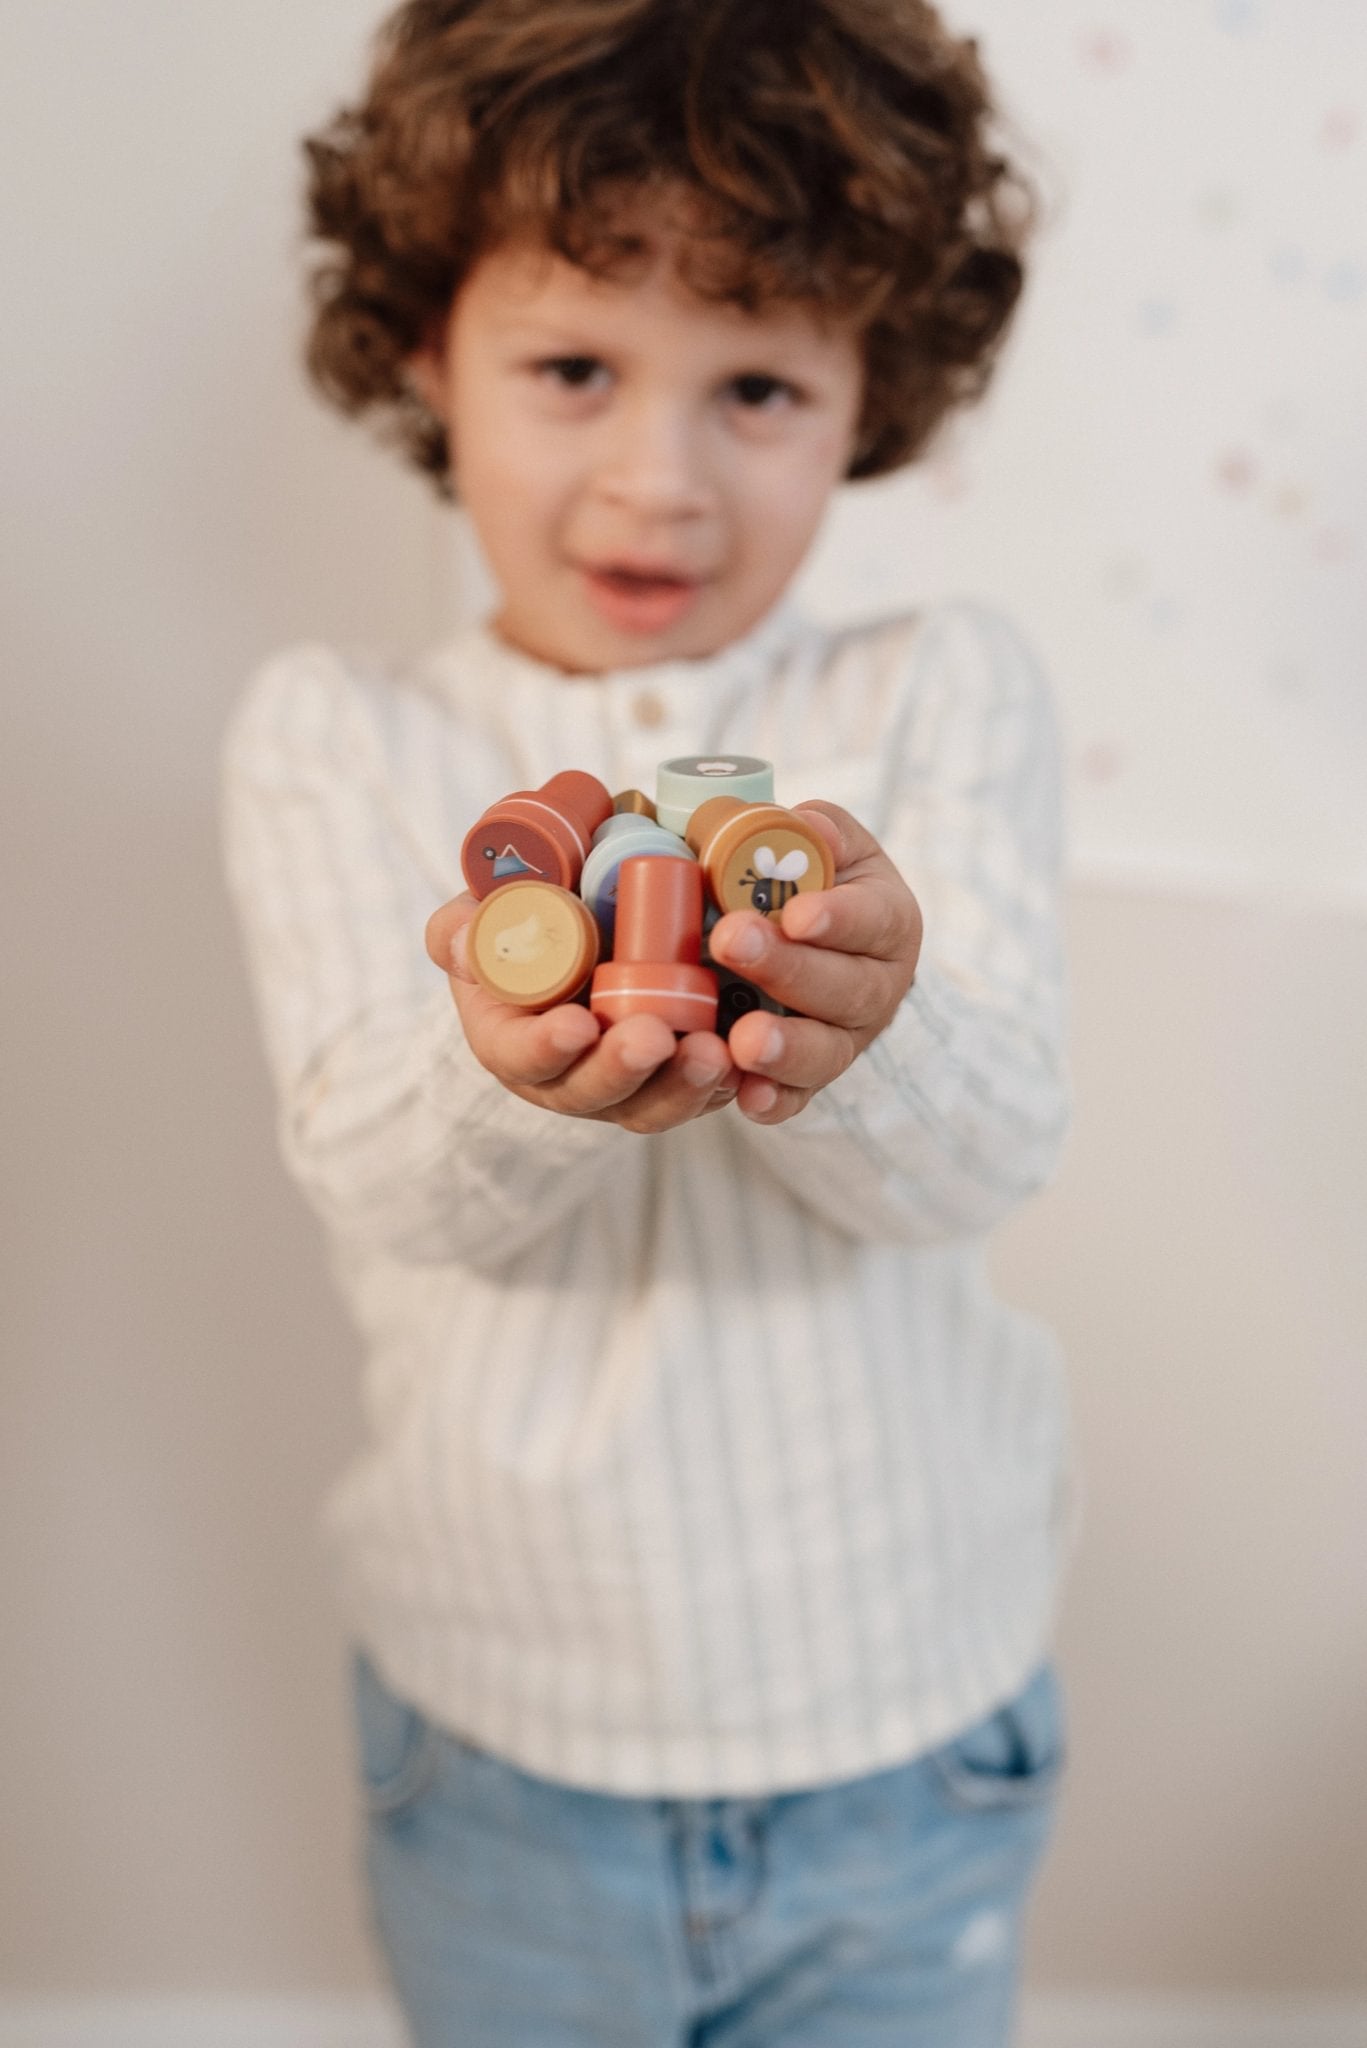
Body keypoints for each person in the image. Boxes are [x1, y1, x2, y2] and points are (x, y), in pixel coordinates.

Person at [221, 1, 1075, 2041]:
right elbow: (371, 1173)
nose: (656, 482)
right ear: (427, 349)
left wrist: (870, 1029)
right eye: (574, 368)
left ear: (873, 387)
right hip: (507, 1749)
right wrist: (501, 1071)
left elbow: (989, 1155)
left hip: (906, 1728)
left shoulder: (937, 691)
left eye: (756, 384)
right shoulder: (336, 735)